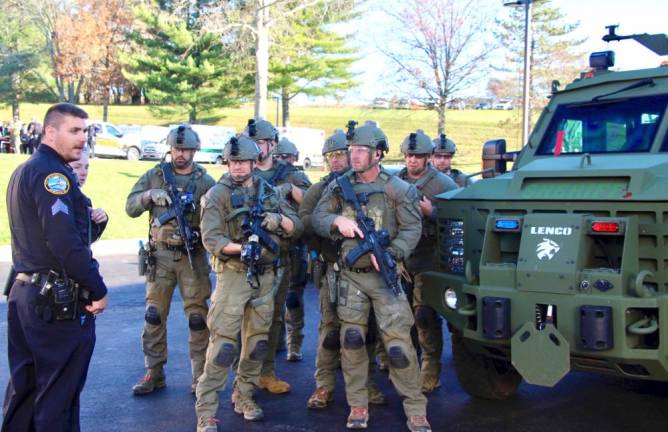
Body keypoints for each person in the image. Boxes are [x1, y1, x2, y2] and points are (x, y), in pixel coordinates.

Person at [312, 123, 431, 431]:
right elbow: (317, 217)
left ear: (378, 154)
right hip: (350, 277)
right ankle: (358, 406)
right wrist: (338, 221)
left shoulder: (398, 188)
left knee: (398, 346)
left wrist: (391, 255)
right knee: (351, 341)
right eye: (351, 150)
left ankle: (416, 409)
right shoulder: (339, 187)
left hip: (384, 277)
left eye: (361, 151)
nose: (354, 156)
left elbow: (411, 228)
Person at [3, 102, 108, 431]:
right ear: (50, 131)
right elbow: (64, 243)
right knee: (56, 397)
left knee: (25, 391)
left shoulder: (25, 169)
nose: (83, 139)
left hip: (25, 294)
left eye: (85, 131)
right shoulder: (54, 176)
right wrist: (97, 287)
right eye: (74, 131)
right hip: (52, 303)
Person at [195, 135, 303, 430]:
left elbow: (297, 226)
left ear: (255, 162)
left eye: (242, 161)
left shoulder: (270, 192)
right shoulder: (218, 194)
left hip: (266, 277)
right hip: (234, 275)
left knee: (257, 343)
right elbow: (211, 238)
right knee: (223, 347)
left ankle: (244, 396)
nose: (238, 167)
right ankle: (205, 410)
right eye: (233, 162)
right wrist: (240, 249)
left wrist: (277, 220)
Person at [126, 124, 215, 395]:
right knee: (153, 315)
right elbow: (130, 207)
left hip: (192, 256)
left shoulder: (205, 182)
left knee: (198, 318)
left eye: (186, 149)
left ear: (195, 151)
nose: (181, 154)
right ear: (170, 149)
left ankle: (200, 377)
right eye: (177, 149)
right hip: (160, 255)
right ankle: (154, 372)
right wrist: (148, 196)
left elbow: (217, 218)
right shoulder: (155, 176)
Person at [301, 127, 387, 409]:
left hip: (365, 272)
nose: (337, 161)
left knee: (366, 332)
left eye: (342, 154)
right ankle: (323, 386)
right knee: (330, 332)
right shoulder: (321, 189)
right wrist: (332, 228)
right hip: (332, 269)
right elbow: (306, 222)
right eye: (331, 156)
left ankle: (366, 384)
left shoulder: (372, 185)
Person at [246, 119, 311, 394]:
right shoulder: (241, 170)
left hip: (281, 257)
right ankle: (244, 377)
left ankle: (267, 372)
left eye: (259, 142)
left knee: (273, 318)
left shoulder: (289, 174)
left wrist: (291, 192)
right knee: (244, 320)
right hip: (246, 259)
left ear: (272, 144)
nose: (255, 148)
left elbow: (313, 204)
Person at [397, 130, 457, 394]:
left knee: (424, 315)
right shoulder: (394, 180)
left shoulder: (443, 184)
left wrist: (433, 212)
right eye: (409, 156)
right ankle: (406, 366)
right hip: (400, 257)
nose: (412, 161)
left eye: (418, 156)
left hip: (428, 256)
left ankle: (430, 368)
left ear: (427, 158)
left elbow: (460, 219)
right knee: (402, 316)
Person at [274, 137, 309, 362]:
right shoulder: (258, 175)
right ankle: (275, 341)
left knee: (293, 298)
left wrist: (292, 189)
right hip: (270, 244)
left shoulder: (298, 177)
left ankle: (294, 343)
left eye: (288, 157)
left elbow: (309, 204)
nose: (284, 161)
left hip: (294, 245)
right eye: (280, 157)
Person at [69, 145, 109, 242]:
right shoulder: (60, 199)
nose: (84, 172)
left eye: (86, 167)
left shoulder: (83, 200)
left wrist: (100, 220)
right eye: (77, 167)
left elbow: (87, 240)